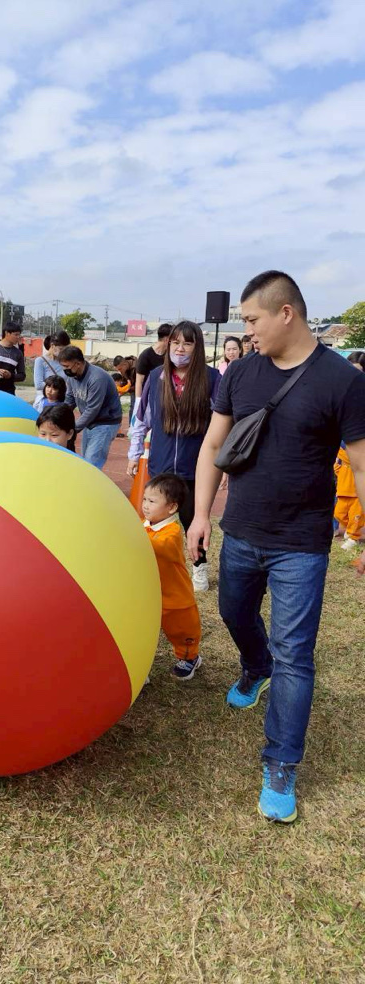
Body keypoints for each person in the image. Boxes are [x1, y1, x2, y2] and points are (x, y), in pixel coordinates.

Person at [187, 270, 365, 824]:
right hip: (241, 529)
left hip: (301, 545)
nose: (247, 330)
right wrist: (200, 516)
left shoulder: (343, 381)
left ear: (286, 313)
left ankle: (281, 762)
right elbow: (214, 444)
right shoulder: (240, 372)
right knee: (232, 611)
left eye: (252, 319)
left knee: (297, 655)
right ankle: (254, 665)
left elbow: (361, 464)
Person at [127, 321, 220, 592]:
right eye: (176, 343)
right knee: (154, 519)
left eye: (187, 343)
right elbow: (141, 419)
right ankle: (151, 568)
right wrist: (134, 454)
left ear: (197, 348)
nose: (180, 349)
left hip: (195, 468)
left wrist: (222, 465)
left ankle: (199, 568)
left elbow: (222, 424)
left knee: (193, 520)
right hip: (161, 465)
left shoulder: (212, 379)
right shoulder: (157, 376)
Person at [142, 474, 203, 680]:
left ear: (172, 507)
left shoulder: (172, 532)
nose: (145, 505)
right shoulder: (144, 525)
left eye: (152, 501)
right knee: (143, 631)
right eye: (144, 499)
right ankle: (140, 666)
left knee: (182, 630)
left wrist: (131, 536)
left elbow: (159, 546)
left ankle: (189, 657)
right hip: (149, 595)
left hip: (174, 596)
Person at [58, 346, 122, 469]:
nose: (64, 370)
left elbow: (92, 409)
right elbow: (70, 399)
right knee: (85, 461)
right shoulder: (72, 376)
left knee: (91, 464)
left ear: (77, 364)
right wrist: (58, 416)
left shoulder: (97, 378)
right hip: (90, 422)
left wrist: (72, 429)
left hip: (105, 422)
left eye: (66, 366)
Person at [334, 443, 364, 551]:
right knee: (338, 514)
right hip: (343, 491)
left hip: (357, 494)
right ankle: (350, 529)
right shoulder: (341, 457)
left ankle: (353, 538)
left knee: (356, 517)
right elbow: (336, 467)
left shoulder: (359, 459)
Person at [33, 329, 70, 410]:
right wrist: (60, 387)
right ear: (52, 346)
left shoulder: (65, 362)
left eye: (66, 350)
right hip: (45, 404)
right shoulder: (40, 361)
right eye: (61, 349)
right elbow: (38, 385)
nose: (64, 353)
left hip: (61, 402)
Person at [135, 324, 173, 402]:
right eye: (173, 340)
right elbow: (139, 381)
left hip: (164, 397)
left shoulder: (170, 355)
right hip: (148, 397)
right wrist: (138, 402)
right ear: (167, 339)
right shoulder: (145, 355)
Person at [113, 355, 136, 427]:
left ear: (125, 364)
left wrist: (127, 389)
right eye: (118, 370)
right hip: (132, 388)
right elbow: (125, 381)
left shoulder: (137, 366)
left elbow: (141, 383)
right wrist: (120, 389)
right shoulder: (124, 369)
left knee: (136, 406)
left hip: (142, 388)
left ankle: (135, 427)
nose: (119, 371)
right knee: (132, 406)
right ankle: (131, 426)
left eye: (120, 369)